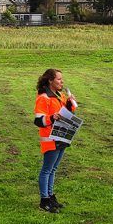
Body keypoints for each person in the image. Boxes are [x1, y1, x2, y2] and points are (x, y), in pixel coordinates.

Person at [34, 68, 78, 213]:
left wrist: (72, 103)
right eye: (59, 79)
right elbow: (39, 120)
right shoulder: (43, 97)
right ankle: (44, 200)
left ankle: (51, 197)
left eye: (61, 79)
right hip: (50, 139)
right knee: (47, 170)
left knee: (53, 169)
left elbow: (67, 112)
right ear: (50, 81)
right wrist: (52, 117)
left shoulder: (60, 95)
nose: (62, 81)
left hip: (61, 137)